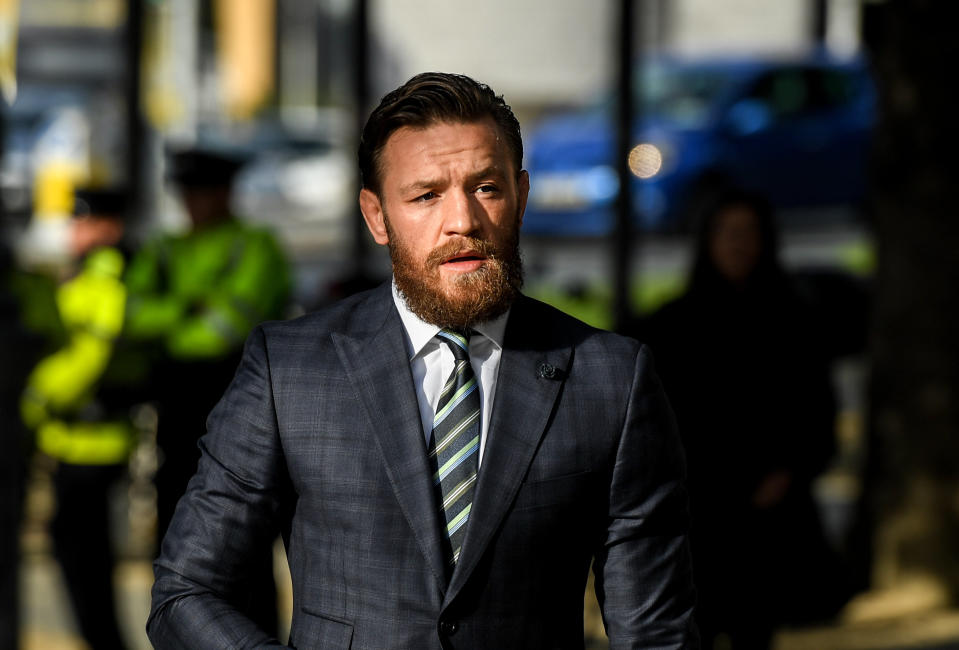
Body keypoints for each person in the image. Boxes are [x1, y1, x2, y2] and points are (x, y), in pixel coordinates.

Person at [147, 72, 698, 649]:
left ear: (522, 196)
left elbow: (655, 633)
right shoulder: (290, 370)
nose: (461, 220)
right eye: (426, 195)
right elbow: (188, 590)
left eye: (486, 187)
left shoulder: (610, 378)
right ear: (377, 216)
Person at [639, 190, 844, 649]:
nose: (738, 245)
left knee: (756, 627)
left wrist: (788, 470)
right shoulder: (672, 328)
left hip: (769, 516)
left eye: (748, 234)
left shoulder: (794, 323)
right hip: (695, 514)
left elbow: (815, 411)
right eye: (727, 234)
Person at [124, 147, 291, 633]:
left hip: (244, 408)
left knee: (247, 545)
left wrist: (170, 316)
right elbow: (129, 317)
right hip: (176, 415)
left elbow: (226, 328)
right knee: (177, 542)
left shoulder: (255, 244)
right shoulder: (163, 248)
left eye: (205, 191)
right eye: (187, 192)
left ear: (226, 193)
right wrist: (188, 309)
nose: (194, 202)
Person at [20, 188, 134, 650]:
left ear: (110, 226)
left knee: (86, 565)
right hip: (71, 440)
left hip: (95, 443)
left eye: (86, 222)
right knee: (78, 564)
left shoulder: (106, 280)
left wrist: (34, 398)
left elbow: (89, 354)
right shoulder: (82, 276)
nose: (76, 231)